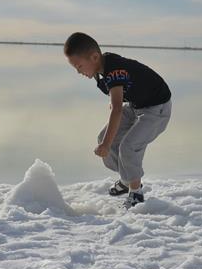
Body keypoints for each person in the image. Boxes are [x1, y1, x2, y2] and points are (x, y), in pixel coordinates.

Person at [64, 32, 172, 208]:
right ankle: (126, 178)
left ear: (94, 57)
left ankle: (136, 193)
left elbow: (116, 109)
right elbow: (120, 94)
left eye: (79, 66)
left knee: (128, 146)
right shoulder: (101, 68)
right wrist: (106, 140)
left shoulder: (114, 69)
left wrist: (106, 145)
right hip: (137, 105)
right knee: (104, 137)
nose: (78, 72)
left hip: (157, 109)